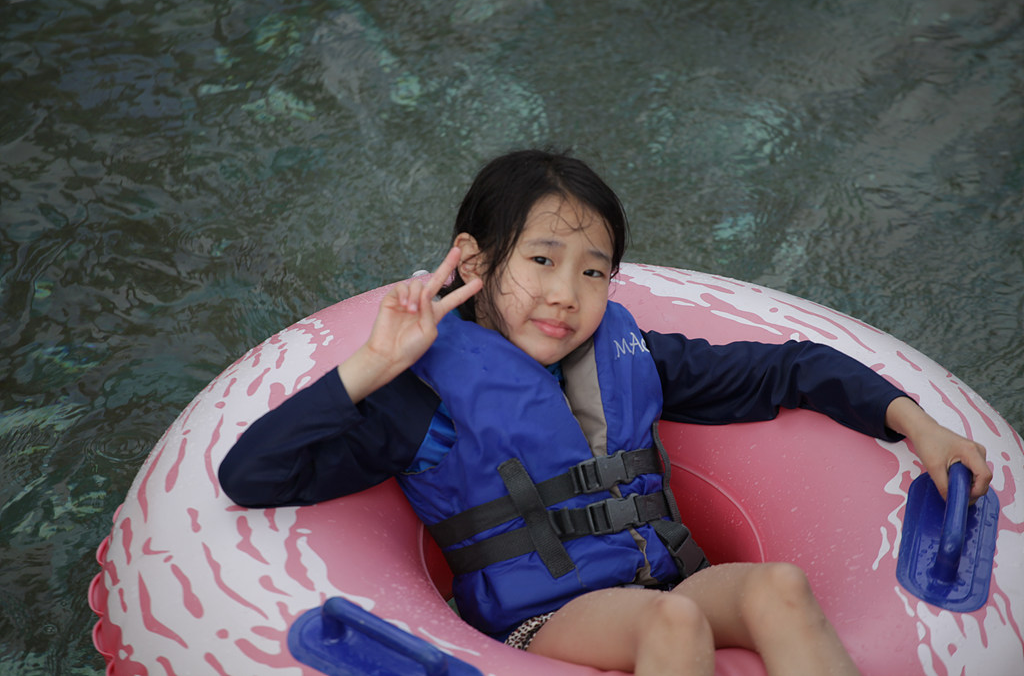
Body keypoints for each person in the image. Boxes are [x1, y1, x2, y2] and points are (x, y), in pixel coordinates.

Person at [219, 150, 992, 676]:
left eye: (594, 272)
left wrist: (916, 423)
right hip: (540, 618)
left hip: (666, 586)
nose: (566, 294)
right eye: (542, 260)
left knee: (778, 587)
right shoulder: (421, 400)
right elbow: (252, 474)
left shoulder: (630, 356)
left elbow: (787, 369)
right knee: (673, 625)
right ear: (476, 260)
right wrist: (374, 363)